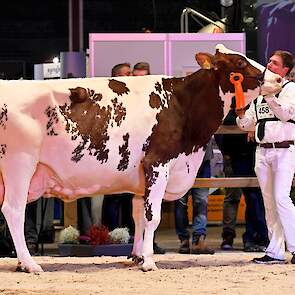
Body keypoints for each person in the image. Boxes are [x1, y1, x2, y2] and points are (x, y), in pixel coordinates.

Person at [236, 50, 295, 264]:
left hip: (284, 150)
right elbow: (247, 124)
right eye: (269, 61)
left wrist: (269, 95)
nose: (269, 65)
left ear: (285, 69)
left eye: (275, 63)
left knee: (282, 198)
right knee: (269, 203)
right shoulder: (259, 94)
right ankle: (275, 252)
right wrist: (241, 114)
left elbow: (286, 114)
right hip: (262, 152)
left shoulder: (290, 89)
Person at [216, 101, 269, 252]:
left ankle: (255, 237)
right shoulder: (233, 108)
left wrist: (253, 127)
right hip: (237, 158)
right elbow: (222, 133)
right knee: (242, 198)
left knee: (256, 198)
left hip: (256, 156)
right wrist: (227, 155)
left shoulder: (256, 104)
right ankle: (238, 237)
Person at [175, 138, 215, 255]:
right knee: (181, 201)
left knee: (201, 201)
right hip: (181, 156)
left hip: (203, 156)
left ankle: (198, 239)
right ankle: (184, 240)